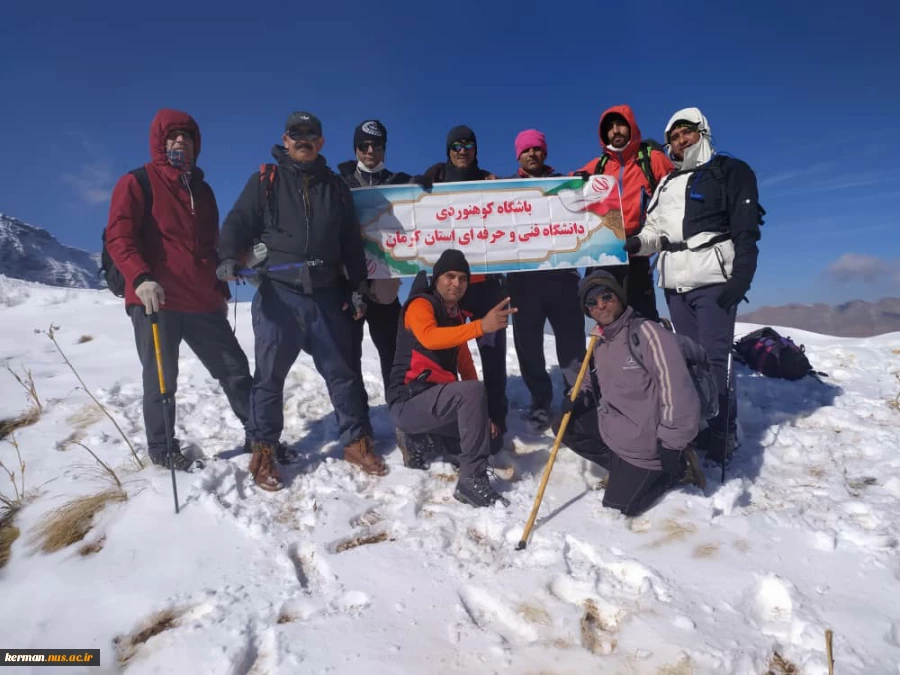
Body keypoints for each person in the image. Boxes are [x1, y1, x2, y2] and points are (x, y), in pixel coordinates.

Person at [217, 111, 387, 491]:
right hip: (278, 293)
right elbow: (239, 221)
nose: (303, 140)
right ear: (286, 138)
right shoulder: (267, 180)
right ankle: (264, 449)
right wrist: (227, 256)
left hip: (325, 294)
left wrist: (358, 286)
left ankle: (356, 442)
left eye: (311, 134)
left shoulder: (335, 186)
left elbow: (349, 243)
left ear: (321, 142)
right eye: (297, 134)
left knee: (342, 372)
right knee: (270, 377)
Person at [104, 108, 253, 472]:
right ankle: (163, 450)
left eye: (187, 137)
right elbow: (118, 236)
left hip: (201, 300)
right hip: (156, 299)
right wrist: (140, 279)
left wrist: (220, 289)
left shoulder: (202, 191)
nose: (180, 142)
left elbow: (210, 246)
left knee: (234, 368)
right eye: (172, 136)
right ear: (159, 141)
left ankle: (261, 434)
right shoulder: (136, 182)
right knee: (161, 378)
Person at [625, 107, 764, 466]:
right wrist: (635, 244)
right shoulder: (667, 184)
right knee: (688, 359)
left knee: (715, 359)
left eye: (686, 132)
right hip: (675, 283)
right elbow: (655, 232)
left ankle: (721, 430)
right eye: (673, 136)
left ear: (703, 132)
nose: (680, 140)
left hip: (713, 279)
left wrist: (742, 277)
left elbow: (746, 229)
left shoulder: (730, 171)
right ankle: (698, 425)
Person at [552, 271, 705, 516]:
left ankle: (674, 470)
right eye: (592, 302)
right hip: (616, 430)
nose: (600, 305)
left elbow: (678, 391)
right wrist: (576, 395)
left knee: (622, 507)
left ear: (619, 297)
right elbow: (590, 377)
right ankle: (620, 467)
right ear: (587, 310)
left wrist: (671, 443)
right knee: (564, 424)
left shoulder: (646, 334)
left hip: (649, 443)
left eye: (606, 297)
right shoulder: (600, 341)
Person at [387, 249, 516, 507]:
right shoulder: (419, 305)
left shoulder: (455, 316)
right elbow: (430, 337)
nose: (457, 283)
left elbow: (465, 364)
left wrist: (484, 414)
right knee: (472, 393)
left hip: (437, 403)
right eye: (450, 276)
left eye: (462, 278)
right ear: (437, 279)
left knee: (490, 439)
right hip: (408, 402)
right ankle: (471, 480)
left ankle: (417, 440)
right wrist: (481, 326)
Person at [422, 126, 508, 452]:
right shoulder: (436, 181)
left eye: (468, 144)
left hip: (486, 287)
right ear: (448, 150)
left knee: (492, 355)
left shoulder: (489, 181)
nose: (462, 149)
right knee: (445, 354)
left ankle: (496, 419)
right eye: (455, 145)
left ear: (475, 148)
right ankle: (451, 422)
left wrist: (503, 193)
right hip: (452, 288)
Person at [505, 129, 586, 432]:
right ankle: (541, 400)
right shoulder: (504, 191)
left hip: (562, 279)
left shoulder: (564, 185)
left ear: (545, 153)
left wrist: (583, 186)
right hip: (523, 283)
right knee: (528, 346)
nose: (532, 154)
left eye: (537, 149)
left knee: (572, 342)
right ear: (518, 155)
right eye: (527, 150)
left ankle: (575, 398)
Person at [338, 119, 420, 390]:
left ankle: (400, 416)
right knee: (348, 359)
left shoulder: (400, 184)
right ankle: (359, 424)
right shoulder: (339, 184)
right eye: (363, 145)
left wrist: (431, 183)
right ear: (356, 149)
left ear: (385, 148)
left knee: (395, 355)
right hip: (348, 286)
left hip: (385, 287)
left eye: (376, 145)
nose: (370, 151)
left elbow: (429, 211)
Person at [575, 105, 674, 320]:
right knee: (605, 320)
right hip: (603, 255)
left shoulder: (652, 159)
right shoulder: (597, 166)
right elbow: (558, 190)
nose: (615, 131)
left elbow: (678, 193)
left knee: (642, 318)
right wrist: (576, 182)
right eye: (609, 127)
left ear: (631, 126)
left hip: (637, 252)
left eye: (621, 124)